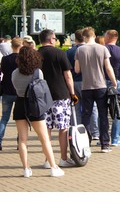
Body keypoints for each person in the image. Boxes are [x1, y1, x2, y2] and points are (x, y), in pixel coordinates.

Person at [11, 46, 64, 177]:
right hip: (34, 105)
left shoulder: (14, 73)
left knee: (22, 140)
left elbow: (16, 89)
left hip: (20, 104)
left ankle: (26, 169)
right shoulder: (37, 72)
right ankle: (53, 167)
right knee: (44, 138)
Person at [75, 27, 117, 153]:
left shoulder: (80, 50)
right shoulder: (102, 48)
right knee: (103, 115)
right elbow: (108, 68)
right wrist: (114, 82)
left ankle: (85, 143)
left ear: (84, 37)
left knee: (86, 115)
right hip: (101, 86)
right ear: (94, 35)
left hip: (86, 87)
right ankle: (105, 144)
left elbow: (77, 70)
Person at [38, 29, 77, 168]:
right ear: (51, 40)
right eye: (54, 38)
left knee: (46, 128)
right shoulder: (60, 53)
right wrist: (72, 93)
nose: (55, 40)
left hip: (42, 97)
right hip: (61, 95)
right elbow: (68, 76)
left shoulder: (36, 54)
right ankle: (63, 158)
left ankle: (48, 160)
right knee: (63, 128)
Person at [66, 29, 100, 140]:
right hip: (88, 82)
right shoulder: (91, 49)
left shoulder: (70, 52)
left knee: (75, 108)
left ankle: (77, 131)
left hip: (74, 82)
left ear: (74, 38)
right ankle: (94, 132)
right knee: (92, 108)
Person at [104, 29, 120, 146]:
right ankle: (115, 139)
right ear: (116, 38)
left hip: (102, 82)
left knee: (102, 111)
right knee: (117, 111)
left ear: (107, 37)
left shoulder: (101, 49)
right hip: (117, 82)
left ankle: (102, 138)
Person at [0, 37, 23, 151]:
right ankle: (20, 142)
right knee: (21, 119)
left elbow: (3, 71)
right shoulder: (22, 59)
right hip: (19, 92)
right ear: (21, 45)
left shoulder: (5, 59)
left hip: (7, 91)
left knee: (4, 118)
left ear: (11, 46)